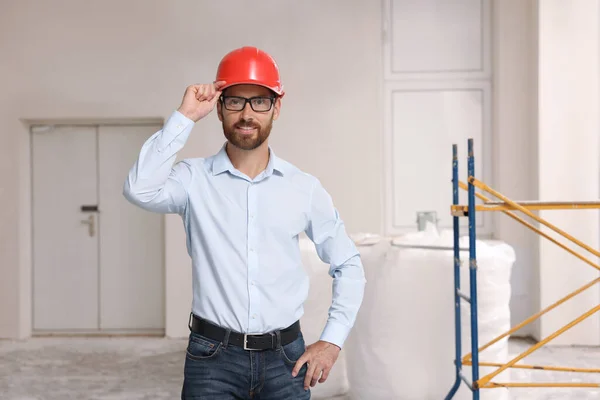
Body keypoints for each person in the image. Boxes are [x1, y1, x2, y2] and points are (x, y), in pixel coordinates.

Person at [123, 46, 366, 399]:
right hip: (212, 361)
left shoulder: (303, 188)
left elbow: (348, 263)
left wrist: (332, 340)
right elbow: (139, 189)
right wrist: (184, 116)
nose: (247, 114)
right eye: (236, 101)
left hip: (286, 361)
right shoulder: (192, 180)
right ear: (220, 107)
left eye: (260, 102)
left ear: (276, 108)